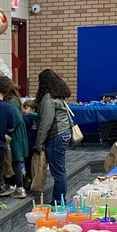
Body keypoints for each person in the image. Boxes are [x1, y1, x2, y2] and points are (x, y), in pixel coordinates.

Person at [33, 69, 72, 205]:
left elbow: (45, 123)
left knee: (58, 171)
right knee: (60, 169)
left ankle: (58, 201)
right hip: (64, 133)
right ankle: (60, 199)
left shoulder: (49, 98)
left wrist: (38, 143)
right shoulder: (61, 95)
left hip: (56, 136)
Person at [0, 75, 28, 198]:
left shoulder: (11, 102)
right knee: (14, 160)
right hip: (17, 134)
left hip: (15, 135)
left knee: (15, 160)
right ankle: (14, 185)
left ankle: (20, 188)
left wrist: (8, 128)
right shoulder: (14, 99)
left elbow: (17, 119)